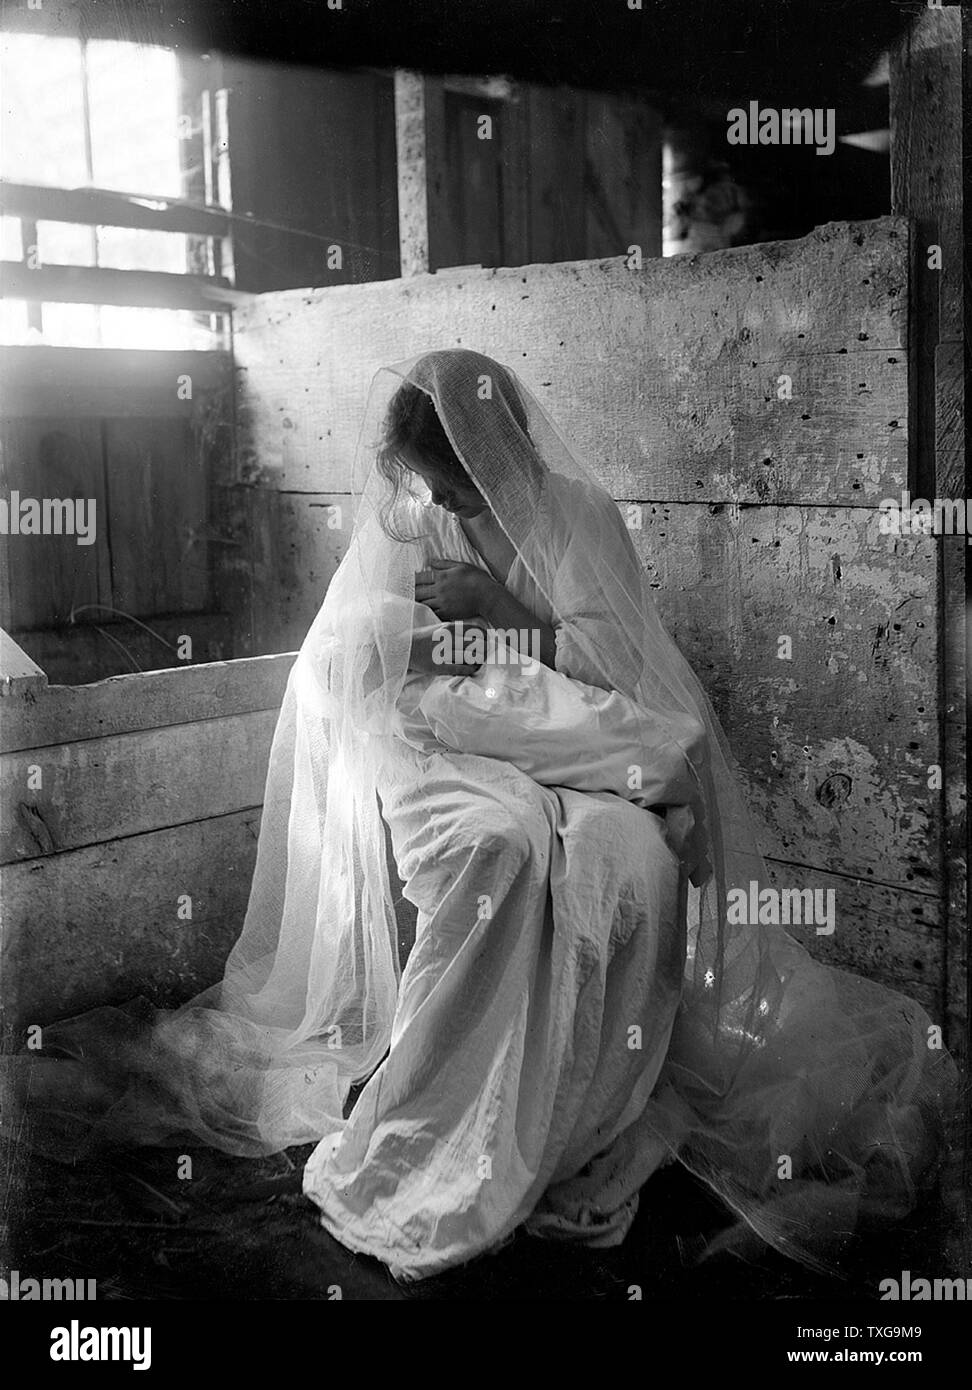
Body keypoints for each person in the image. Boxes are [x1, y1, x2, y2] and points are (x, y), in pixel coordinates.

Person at [9, 349, 958, 1287]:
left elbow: (621, 671)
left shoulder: (576, 517)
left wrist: (505, 614)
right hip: (451, 741)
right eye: (434, 487)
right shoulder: (412, 519)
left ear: (500, 455)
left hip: (565, 728)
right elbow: (363, 656)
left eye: (461, 487)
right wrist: (435, 648)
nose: (449, 506)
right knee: (501, 848)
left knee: (618, 861)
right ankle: (446, 1109)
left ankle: (578, 1111)